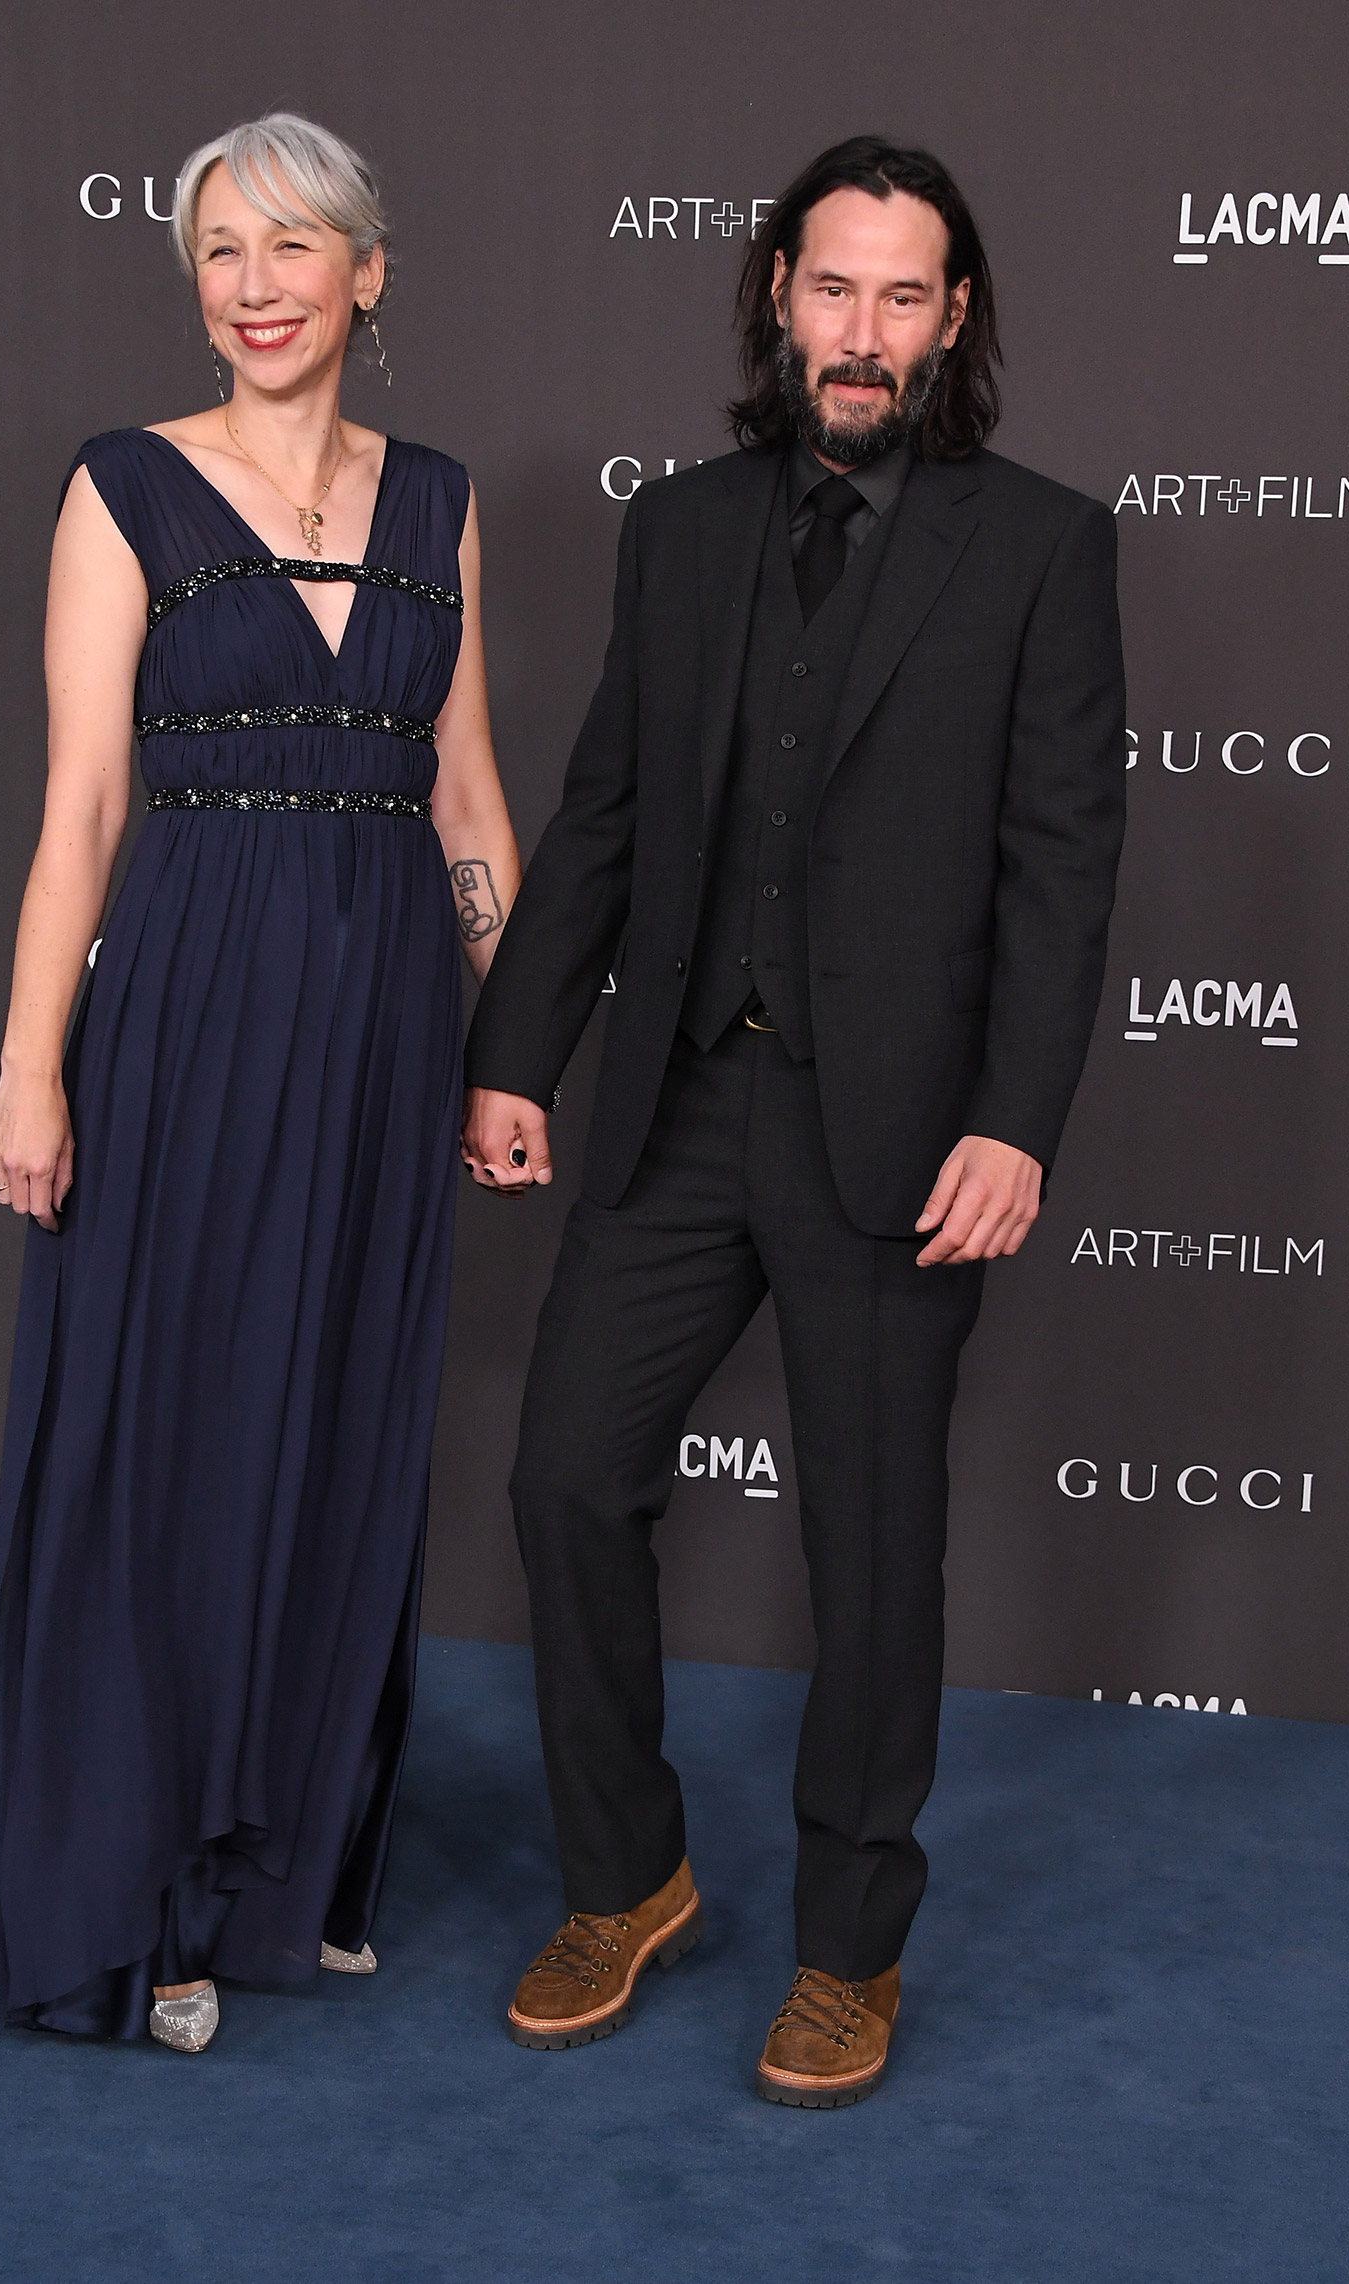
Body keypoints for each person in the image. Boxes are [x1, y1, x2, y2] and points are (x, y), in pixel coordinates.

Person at [462, 135, 1125, 2107]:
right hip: (681, 1096)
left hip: (902, 1138)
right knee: (568, 1478)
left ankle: (850, 1942)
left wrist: (1015, 1121)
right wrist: (514, 1051)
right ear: (776, 292)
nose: (866, 332)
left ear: (957, 318)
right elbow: (600, 815)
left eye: (906, 297)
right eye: (835, 289)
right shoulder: (675, 533)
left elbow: (1062, 863)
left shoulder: (1041, 545)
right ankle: (628, 1872)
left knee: (874, 1546)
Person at [0, 112, 520, 2052]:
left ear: (371, 270)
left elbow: (464, 799)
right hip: (188, 1009)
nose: (257, 285)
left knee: (342, 1423)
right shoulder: (124, 490)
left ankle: (285, 1862)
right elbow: (83, 804)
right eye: (221, 251)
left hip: (381, 1034)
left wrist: (505, 1043)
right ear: (194, 284)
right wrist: (34, 1068)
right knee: (168, 1440)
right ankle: (145, 1890)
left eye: (295, 246)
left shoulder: (438, 500)